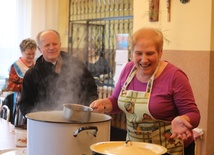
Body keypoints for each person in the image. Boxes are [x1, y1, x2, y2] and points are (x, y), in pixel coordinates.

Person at [90, 27, 200, 155]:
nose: (143, 59)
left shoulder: (175, 76)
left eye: (149, 53)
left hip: (168, 151)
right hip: (133, 150)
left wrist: (183, 119)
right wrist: (103, 104)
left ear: (160, 52)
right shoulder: (128, 69)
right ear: (132, 53)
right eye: (138, 53)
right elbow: (115, 101)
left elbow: (193, 113)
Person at [19, 29, 98, 116]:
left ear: (60, 45)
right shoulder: (32, 74)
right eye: (47, 45)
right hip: (45, 123)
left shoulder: (77, 65)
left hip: (76, 119)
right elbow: (25, 104)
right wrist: (39, 117)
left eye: (55, 44)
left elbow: (91, 89)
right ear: (39, 49)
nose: (52, 48)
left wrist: (84, 110)